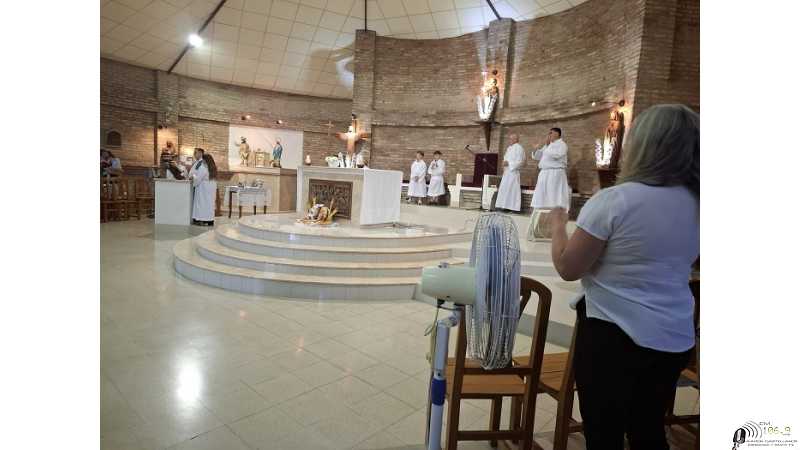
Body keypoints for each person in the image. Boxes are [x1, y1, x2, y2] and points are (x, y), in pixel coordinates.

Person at [548, 104, 699, 449]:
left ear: (643, 145)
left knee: (604, 435)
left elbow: (568, 268)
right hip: (673, 335)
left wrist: (558, 225)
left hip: (613, 336)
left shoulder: (616, 200)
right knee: (649, 430)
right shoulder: (699, 204)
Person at [527, 128, 571, 241]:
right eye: (549, 132)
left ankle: (553, 228)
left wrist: (546, 147)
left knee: (552, 199)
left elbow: (557, 155)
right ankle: (538, 228)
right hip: (545, 174)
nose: (549, 134)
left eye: (551, 132)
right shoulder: (548, 145)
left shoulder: (562, 145)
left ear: (558, 134)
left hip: (555, 174)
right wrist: (537, 148)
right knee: (541, 198)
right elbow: (537, 157)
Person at [494, 134, 525, 212]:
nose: (509, 140)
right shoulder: (509, 148)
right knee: (505, 189)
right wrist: (503, 165)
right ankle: (504, 206)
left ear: (516, 139)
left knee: (512, 190)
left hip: (513, 172)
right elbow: (505, 159)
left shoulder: (519, 148)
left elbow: (520, 162)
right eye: (509, 139)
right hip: (507, 173)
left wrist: (509, 164)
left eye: (511, 139)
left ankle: (513, 208)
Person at [188, 148, 218, 226]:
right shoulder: (213, 168)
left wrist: (193, 176)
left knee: (202, 204)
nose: (203, 161)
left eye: (203, 160)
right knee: (210, 204)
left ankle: (202, 219)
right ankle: (210, 220)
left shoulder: (203, 168)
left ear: (206, 160)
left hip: (203, 189)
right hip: (211, 189)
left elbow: (197, 179)